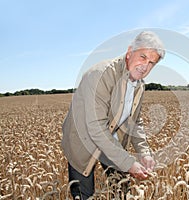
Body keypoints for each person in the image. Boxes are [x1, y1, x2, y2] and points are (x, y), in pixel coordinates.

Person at [61, 31, 165, 199]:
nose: (145, 65)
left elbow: (134, 121)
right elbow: (95, 127)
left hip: (111, 139)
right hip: (82, 140)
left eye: (151, 62)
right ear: (130, 51)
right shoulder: (101, 74)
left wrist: (144, 152)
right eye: (143, 56)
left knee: (122, 189)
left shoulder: (139, 86)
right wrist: (129, 163)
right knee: (85, 194)